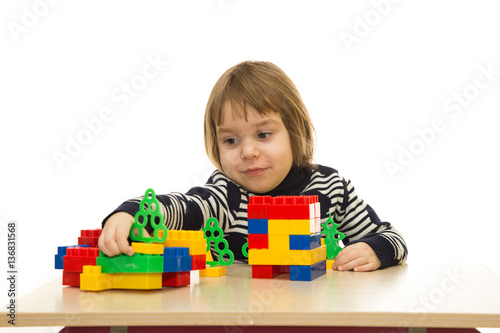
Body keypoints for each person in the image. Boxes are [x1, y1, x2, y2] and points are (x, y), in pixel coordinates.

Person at [98, 60, 408, 272]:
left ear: (294, 132)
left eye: (263, 134)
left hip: (313, 318)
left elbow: (391, 237)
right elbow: (185, 207)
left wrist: (375, 251)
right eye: (231, 141)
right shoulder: (225, 193)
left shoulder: (331, 187)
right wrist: (134, 211)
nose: (248, 151)